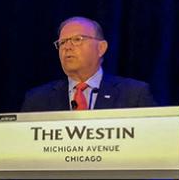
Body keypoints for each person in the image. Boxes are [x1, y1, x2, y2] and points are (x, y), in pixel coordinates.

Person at [20, 16, 157, 112]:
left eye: (77, 39)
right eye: (62, 42)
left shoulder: (134, 95)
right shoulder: (37, 100)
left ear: (101, 48)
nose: (67, 47)